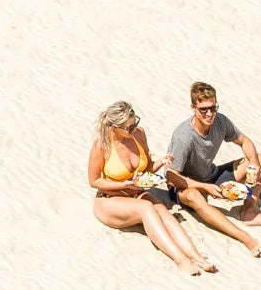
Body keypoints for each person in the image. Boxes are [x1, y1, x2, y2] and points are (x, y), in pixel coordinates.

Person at [89, 100, 213, 275]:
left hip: (137, 192)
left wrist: (161, 161)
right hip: (109, 199)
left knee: (163, 212)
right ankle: (181, 260)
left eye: (135, 123)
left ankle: (196, 257)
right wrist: (123, 184)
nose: (133, 129)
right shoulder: (102, 146)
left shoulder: (139, 134)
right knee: (146, 207)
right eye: (128, 128)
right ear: (114, 127)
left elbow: (145, 170)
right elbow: (94, 181)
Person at [165, 81, 261, 257]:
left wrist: (253, 161)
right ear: (193, 108)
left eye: (213, 108)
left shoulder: (220, 120)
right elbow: (171, 177)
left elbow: (244, 141)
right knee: (193, 195)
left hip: (210, 174)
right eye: (203, 109)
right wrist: (205, 187)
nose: (209, 114)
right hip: (184, 185)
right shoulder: (184, 138)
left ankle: (249, 210)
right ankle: (244, 237)